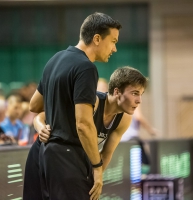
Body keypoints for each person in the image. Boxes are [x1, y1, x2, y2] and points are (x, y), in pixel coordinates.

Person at [23, 12, 122, 200]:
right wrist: (97, 167)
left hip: (41, 154)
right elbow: (83, 124)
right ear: (97, 38)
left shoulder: (56, 59)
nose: (114, 48)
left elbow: (34, 105)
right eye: (113, 41)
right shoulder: (86, 67)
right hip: (66, 157)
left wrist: (43, 122)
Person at [24, 67, 147, 200]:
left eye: (141, 94)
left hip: (72, 157)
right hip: (44, 152)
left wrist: (96, 179)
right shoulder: (92, 102)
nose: (139, 100)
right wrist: (41, 127)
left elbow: (105, 154)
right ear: (117, 91)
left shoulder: (124, 119)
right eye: (135, 93)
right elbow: (42, 115)